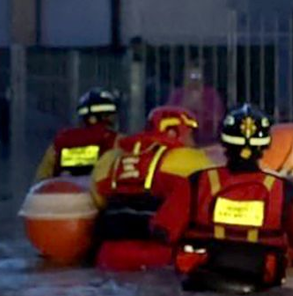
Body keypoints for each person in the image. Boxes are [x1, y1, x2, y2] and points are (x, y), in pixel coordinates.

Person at [154, 104, 293, 291]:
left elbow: (162, 231)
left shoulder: (197, 183)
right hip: (261, 290)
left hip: (201, 287)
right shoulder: (284, 191)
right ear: (265, 146)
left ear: (223, 143)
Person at [91, 106, 212, 270]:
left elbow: (98, 202)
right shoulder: (190, 159)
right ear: (173, 132)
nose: (193, 142)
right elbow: (210, 200)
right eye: (190, 134)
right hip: (158, 255)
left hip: (108, 254)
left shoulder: (110, 158)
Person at [33, 87, 120, 181]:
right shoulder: (115, 140)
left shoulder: (62, 141)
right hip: (98, 193)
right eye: (112, 115)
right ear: (106, 117)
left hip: (61, 192)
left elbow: (42, 178)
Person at [167, 62, 225, 140]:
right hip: (181, 137)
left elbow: (218, 118)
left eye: (197, 76)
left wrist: (201, 109)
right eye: (190, 76)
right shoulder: (177, 94)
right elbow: (168, 115)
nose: (194, 81)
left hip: (208, 139)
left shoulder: (211, 94)